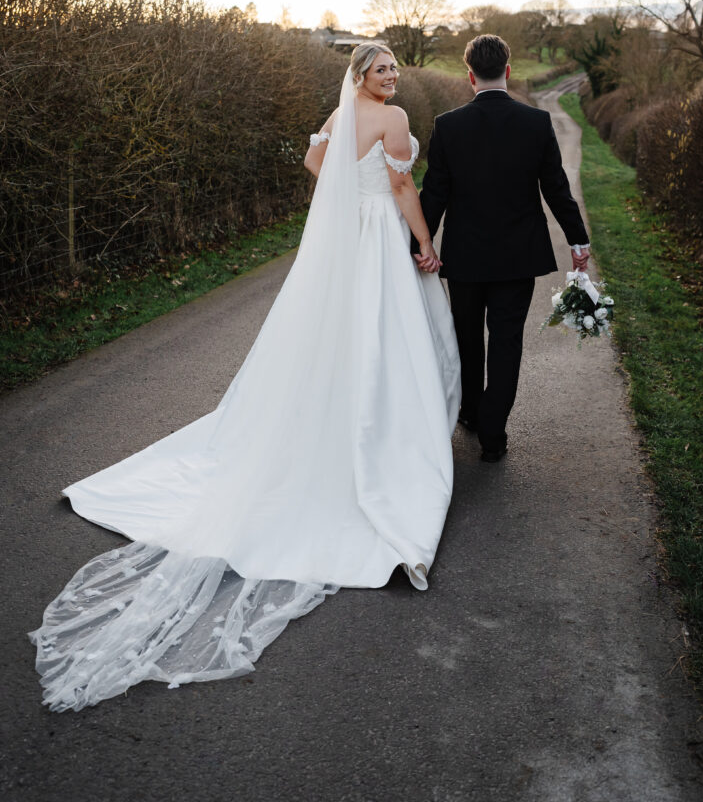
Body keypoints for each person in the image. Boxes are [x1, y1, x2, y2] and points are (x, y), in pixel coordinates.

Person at [28, 42, 460, 712]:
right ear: (362, 77)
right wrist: (424, 242)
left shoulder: (339, 113)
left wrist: (346, 194)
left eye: (395, 70)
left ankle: (332, 417)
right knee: (384, 338)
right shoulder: (396, 119)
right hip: (375, 235)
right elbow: (402, 185)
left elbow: (315, 160)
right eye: (382, 71)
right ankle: (378, 435)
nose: (393, 78)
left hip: (344, 233)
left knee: (335, 338)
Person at [412, 34, 589, 461]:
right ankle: (493, 432)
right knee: (507, 342)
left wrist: (416, 246)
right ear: (507, 71)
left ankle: (471, 413)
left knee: (467, 338)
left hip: (466, 257)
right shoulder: (535, 123)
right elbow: (557, 190)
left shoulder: (448, 125)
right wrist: (577, 240)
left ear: (468, 75)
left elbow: (433, 194)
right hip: (517, 256)